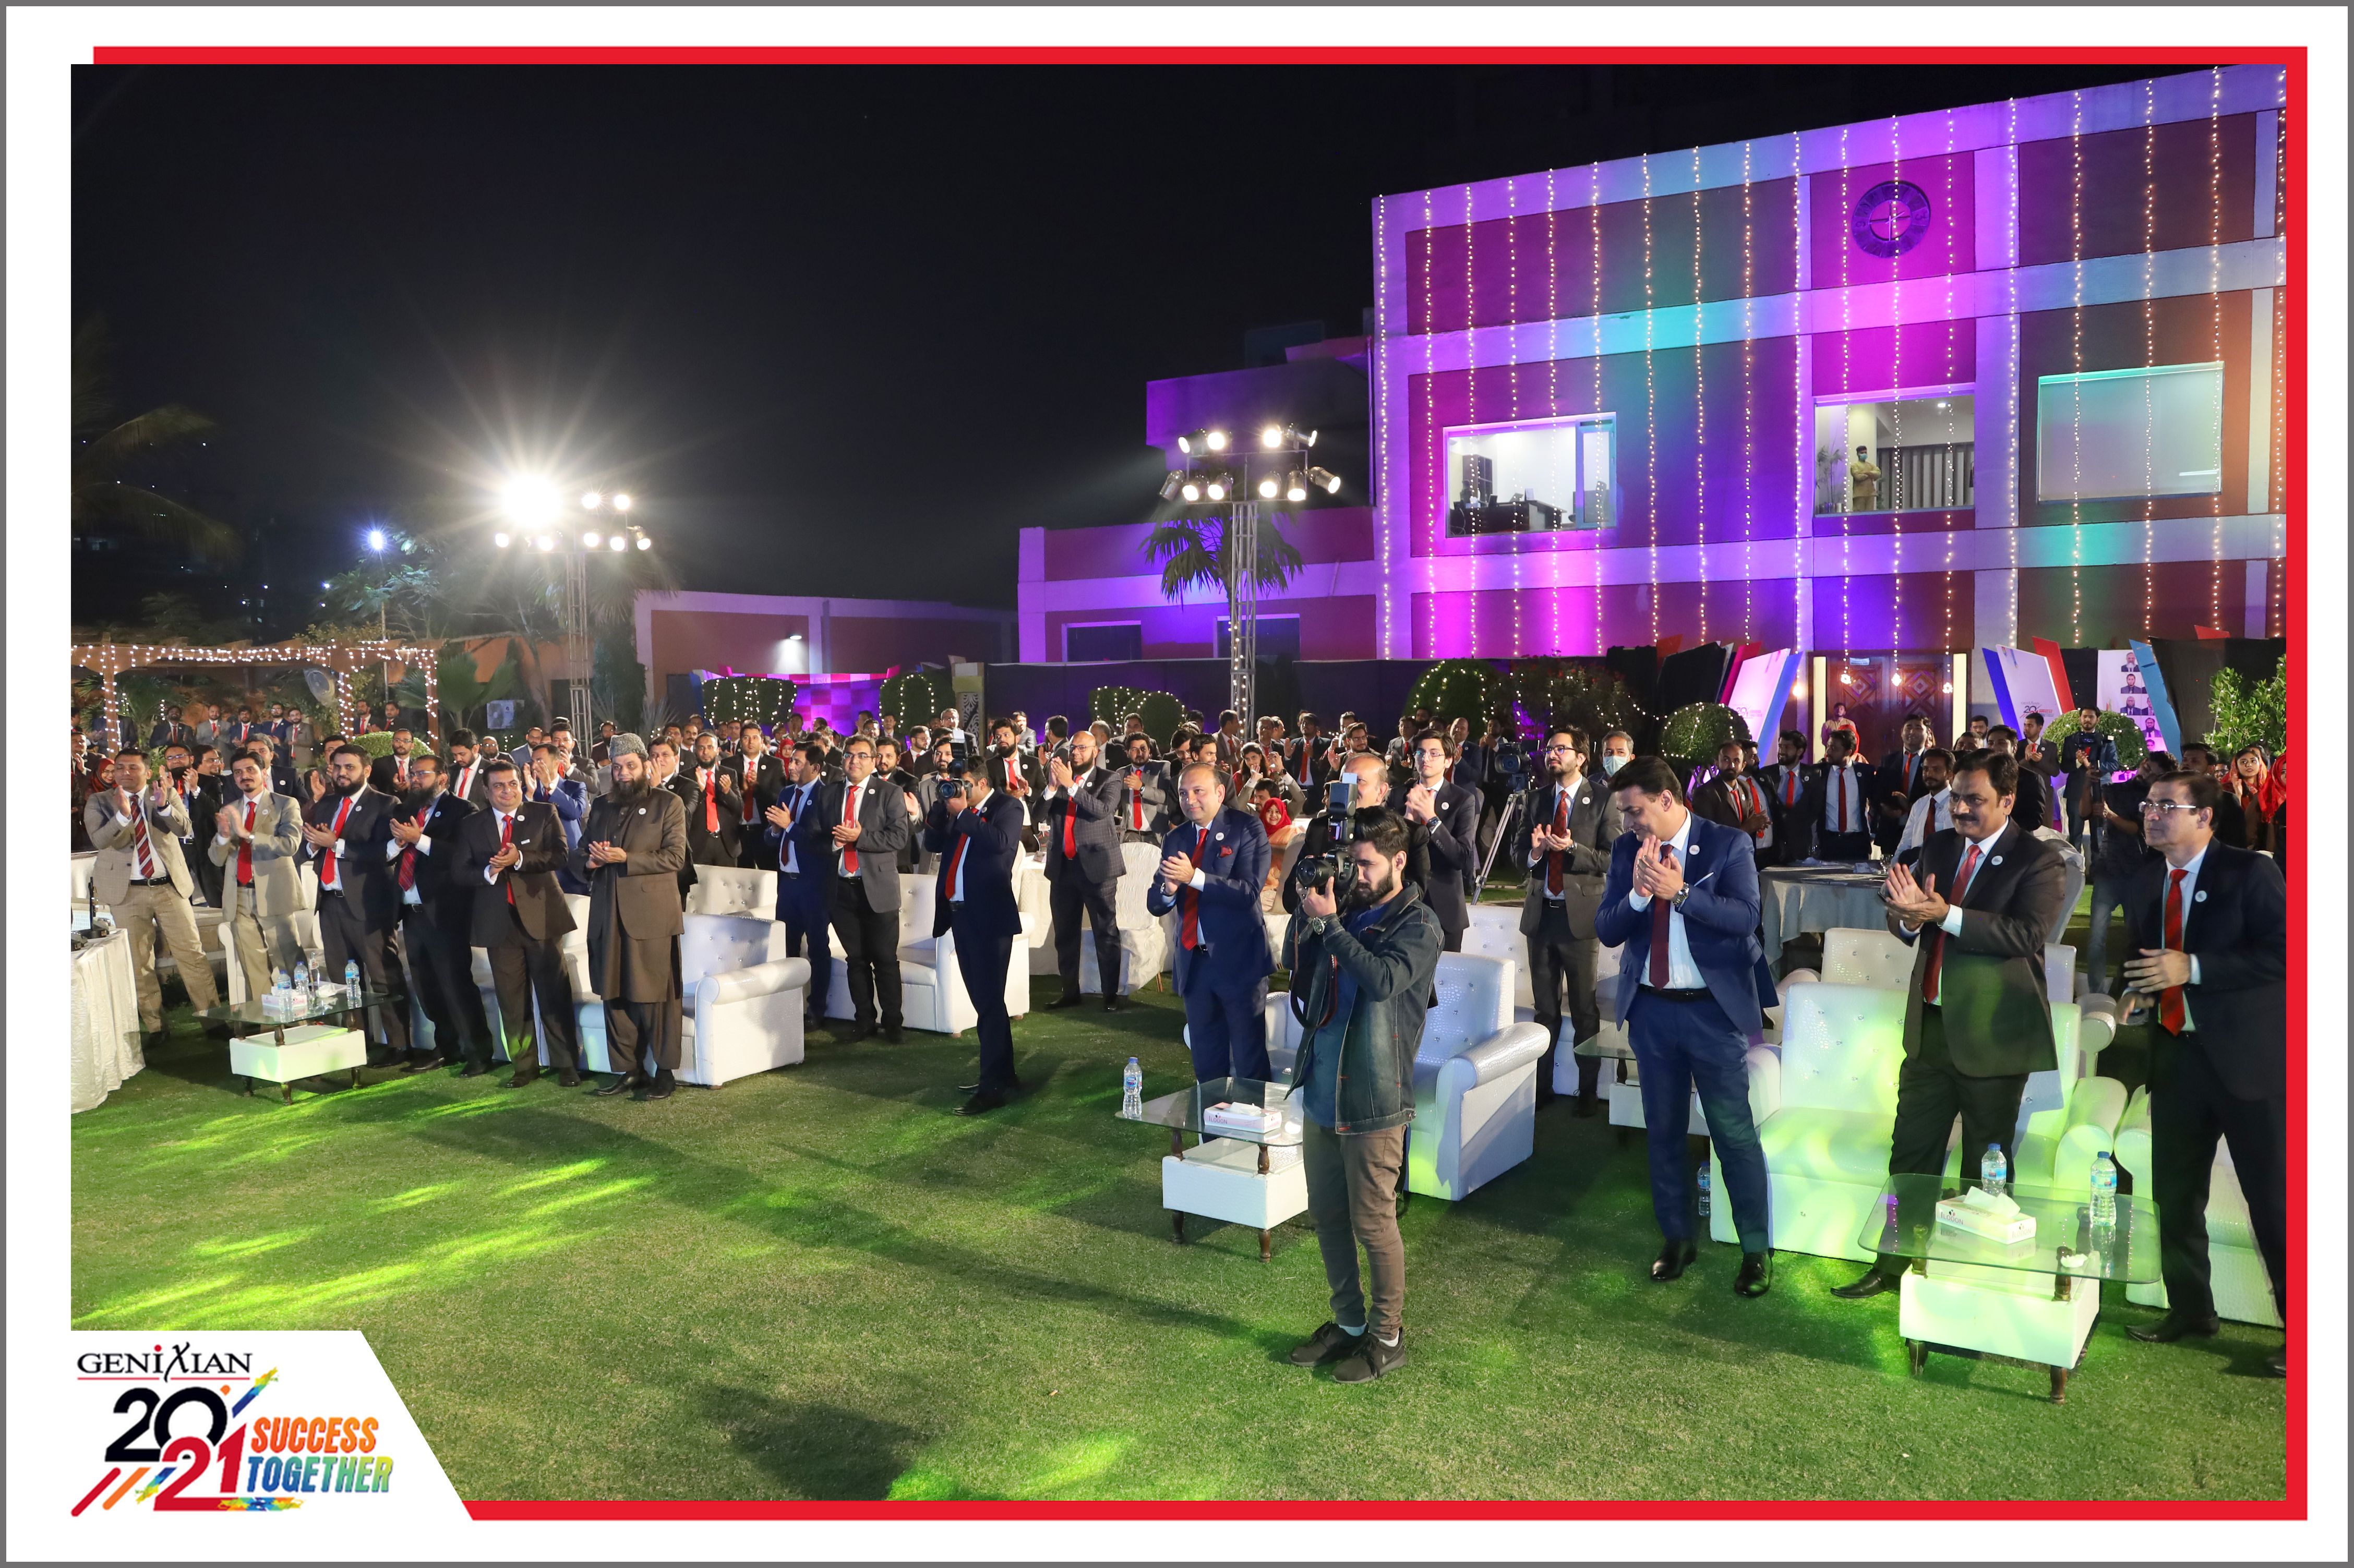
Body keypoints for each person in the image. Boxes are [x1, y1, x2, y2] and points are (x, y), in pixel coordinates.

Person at [1834, 751, 2069, 1302]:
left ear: (2007, 800)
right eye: (1956, 798)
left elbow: (2026, 935)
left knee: (1985, 1171)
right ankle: (1893, 1265)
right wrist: (1905, 917)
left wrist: (1946, 914)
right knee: (1910, 1158)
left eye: (1974, 800)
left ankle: (1971, 1283)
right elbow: (1906, 914)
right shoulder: (1939, 846)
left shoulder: (2039, 860)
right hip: (1930, 1032)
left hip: (1993, 1037)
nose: (1960, 809)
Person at [2115, 770, 2288, 1376]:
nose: (2152, 814)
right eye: (2149, 805)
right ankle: (2191, 1310)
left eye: (2167, 806)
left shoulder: (2250, 872)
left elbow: (2287, 951)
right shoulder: (2145, 880)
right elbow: (2139, 958)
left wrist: (2194, 968)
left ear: (2205, 817)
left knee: (2275, 1200)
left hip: (2247, 1062)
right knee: (2176, 1194)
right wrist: (2134, 992)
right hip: (2176, 1057)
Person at [1592, 756, 1776, 1298]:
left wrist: (1682, 893)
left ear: (1667, 800)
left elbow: (1746, 918)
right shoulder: (1627, 851)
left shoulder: (1727, 843)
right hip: (1651, 1012)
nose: (1628, 823)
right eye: (1624, 813)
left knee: (1733, 1134)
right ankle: (1677, 1239)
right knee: (1664, 1131)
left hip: (1712, 1013)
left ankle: (1755, 1249)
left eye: (1635, 811)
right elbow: (1607, 929)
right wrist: (1638, 895)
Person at [1280, 809, 1442, 1383]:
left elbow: (1382, 981)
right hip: (1322, 1086)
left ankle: (1387, 1337)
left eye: (1367, 864)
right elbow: (1294, 967)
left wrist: (1331, 927)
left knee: (1373, 1223)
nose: (1357, 874)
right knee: (1327, 1216)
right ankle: (1350, 1324)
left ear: (1399, 861)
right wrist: (1307, 911)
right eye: (1352, 862)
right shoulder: (1343, 908)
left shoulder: (1420, 923)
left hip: (1374, 1095)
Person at [571, 737, 688, 1098]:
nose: (623, 774)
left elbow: (675, 857)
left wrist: (626, 859)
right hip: (607, 913)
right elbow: (580, 852)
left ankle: (665, 1072)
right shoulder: (602, 806)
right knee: (614, 994)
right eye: (617, 767)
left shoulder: (668, 804)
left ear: (645, 766)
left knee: (656, 996)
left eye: (630, 766)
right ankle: (629, 1070)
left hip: (651, 917)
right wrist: (591, 862)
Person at [1146, 762, 1275, 1081]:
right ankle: (1212, 1117)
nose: (1190, 800)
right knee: (1206, 1064)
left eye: (1198, 791)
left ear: (1219, 793)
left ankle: (1252, 1115)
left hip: (1239, 963)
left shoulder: (1247, 828)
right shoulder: (1175, 838)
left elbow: (1248, 892)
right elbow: (1156, 903)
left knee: (1249, 1061)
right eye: (1183, 793)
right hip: (1195, 965)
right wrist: (1169, 890)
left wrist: (1195, 878)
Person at [86, 748, 223, 1039]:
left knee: (192, 955)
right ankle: (156, 1027)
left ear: (148, 772)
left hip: (169, 887)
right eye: (120, 767)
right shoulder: (100, 801)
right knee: (139, 962)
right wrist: (123, 816)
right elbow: (99, 839)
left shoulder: (165, 793)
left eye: (133, 767)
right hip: (126, 893)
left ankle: (213, 1020)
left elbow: (185, 828)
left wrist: (163, 808)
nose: (125, 772)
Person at [922, 754, 1029, 1115]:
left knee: (989, 1004)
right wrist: (941, 808)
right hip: (961, 917)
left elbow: (1001, 844)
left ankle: (992, 1087)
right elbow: (933, 844)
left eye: (964, 784)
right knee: (987, 1003)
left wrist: (964, 814)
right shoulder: (958, 810)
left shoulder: (1008, 807)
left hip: (990, 918)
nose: (958, 789)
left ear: (982, 783)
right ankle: (1004, 1076)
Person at [1515, 728, 1614, 1111]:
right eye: (1550, 749)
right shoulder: (1536, 799)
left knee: (1585, 1010)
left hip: (1581, 921)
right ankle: (1541, 1090)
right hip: (1540, 918)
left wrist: (1573, 847)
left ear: (1581, 757)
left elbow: (1611, 858)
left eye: (1561, 749)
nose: (1552, 754)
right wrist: (1536, 853)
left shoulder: (1603, 799)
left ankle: (1588, 1092)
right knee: (1545, 1012)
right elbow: (1517, 853)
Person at [299, 742, 414, 1066]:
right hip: (330, 903)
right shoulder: (326, 804)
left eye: (349, 767)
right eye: (337, 767)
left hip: (368, 905)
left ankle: (400, 1045)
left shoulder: (385, 804)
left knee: (382, 976)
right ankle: (355, 1044)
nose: (341, 773)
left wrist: (335, 844)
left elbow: (384, 853)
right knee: (343, 981)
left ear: (366, 770)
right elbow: (305, 848)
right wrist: (313, 847)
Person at [388, 753, 495, 1075]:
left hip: (445, 911)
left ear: (443, 778)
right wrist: (399, 844)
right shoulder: (405, 810)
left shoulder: (463, 811)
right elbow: (390, 853)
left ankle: (478, 1052)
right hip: (411, 910)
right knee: (427, 985)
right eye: (413, 773)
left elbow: (460, 856)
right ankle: (446, 1047)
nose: (415, 779)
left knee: (455, 983)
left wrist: (418, 839)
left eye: (422, 774)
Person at [810, 735, 912, 1043]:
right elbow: (814, 838)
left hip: (878, 890)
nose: (854, 761)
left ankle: (893, 1023)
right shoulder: (828, 793)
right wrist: (834, 843)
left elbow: (899, 838)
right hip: (841, 890)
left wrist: (859, 837)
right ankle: (864, 1021)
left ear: (873, 761)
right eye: (849, 755)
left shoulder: (890, 792)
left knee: (884, 958)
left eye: (861, 756)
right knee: (856, 960)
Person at [1029, 726, 1130, 1011]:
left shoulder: (1109, 779)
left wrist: (1071, 786)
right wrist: (1052, 787)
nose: (1075, 753)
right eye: (1073, 748)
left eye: (1082, 748)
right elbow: (1038, 816)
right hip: (1063, 868)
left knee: (1105, 932)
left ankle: (1110, 995)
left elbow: (1102, 811)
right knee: (1065, 935)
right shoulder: (1059, 780)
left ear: (1095, 752)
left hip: (1098, 868)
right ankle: (1070, 992)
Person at [209, 752, 305, 1002]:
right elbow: (216, 859)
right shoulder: (229, 810)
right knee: (254, 970)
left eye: (250, 770)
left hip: (274, 893)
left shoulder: (286, 804)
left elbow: (290, 845)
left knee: (289, 963)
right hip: (238, 895)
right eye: (238, 773)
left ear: (264, 772)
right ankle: (266, 1019)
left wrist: (248, 835)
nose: (244, 776)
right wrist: (223, 838)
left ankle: (302, 1017)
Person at [761, 742, 836, 1029]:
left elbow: (824, 845)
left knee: (817, 948)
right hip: (787, 885)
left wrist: (790, 826)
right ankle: (788, 1007)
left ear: (815, 768)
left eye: (798, 762)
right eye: (791, 761)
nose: (791, 766)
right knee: (786, 947)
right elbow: (772, 840)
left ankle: (817, 1009)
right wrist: (775, 830)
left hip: (814, 885)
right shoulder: (786, 793)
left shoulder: (827, 796)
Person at [1284, 752, 1412, 912]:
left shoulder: (1403, 833)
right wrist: (1310, 888)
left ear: (1381, 791)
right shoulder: (1321, 828)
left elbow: (1409, 903)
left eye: (1358, 781)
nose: (1349, 788)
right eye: (1345, 781)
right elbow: (1290, 899)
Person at [1391, 729, 1481, 952]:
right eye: (1421, 753)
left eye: (1434, 753)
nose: (1426, 759)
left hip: (1445, 908)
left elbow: (1462, 858)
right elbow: (1387, 850)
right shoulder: (1399, 795)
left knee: (1446, 971)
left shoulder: (1463, 799)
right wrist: (1409, 820)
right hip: (1403, 902)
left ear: (1448, 761)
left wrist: (1432, 819)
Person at [2084, 751, 2164, 995]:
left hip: (2137, 872)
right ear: (2143, 763)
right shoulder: (2115, 789)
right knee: (2097, 937)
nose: (2146, 775)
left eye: (2154, 775)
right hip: (2108, 869)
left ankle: (2128, 990)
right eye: (2147, 768)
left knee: (2134, 938)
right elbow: (2084, 811)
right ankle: (2096, 991)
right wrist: (2088, 784)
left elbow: (2137, 830)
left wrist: (2110, 815)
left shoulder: (2154, 800)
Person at [1691, 738, 1774, 863]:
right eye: (1726, 760)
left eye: (1736, 761)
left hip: (1745, 857)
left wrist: (1759, 822)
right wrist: (1745, 829)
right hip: (1719, 861)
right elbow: (1707, 835)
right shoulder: (1705, 793)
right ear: (1717, 763)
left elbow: (1750, 820)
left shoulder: (1745, 787)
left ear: (1743, 765)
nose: (1731, 766)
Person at [525, 742, 591, 895]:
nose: (534, 766)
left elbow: (575, 812)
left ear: (556, 763)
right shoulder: (528, 791)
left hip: (570, 865)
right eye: (532, 761)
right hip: (540, 865)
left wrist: (551, 788)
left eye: (540, 761)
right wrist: (529, 795)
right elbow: (520, 821)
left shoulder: (575, 787)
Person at [725, 722, 788, 869]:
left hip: (764, 830)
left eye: (755, 738)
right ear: (741, 741)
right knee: (741, 877)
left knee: (768, 874)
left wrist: (757, 787)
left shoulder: (775, 764)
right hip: (737, 832)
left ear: (762, 740)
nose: (751, 742)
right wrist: (742, 791)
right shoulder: (728, 764)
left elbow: (778, 798)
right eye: (746, 738)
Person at [681, 731, 743, 872]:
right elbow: (685, 813)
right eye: (701, 748)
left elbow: (739, 808)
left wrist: (728, 792)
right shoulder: (686, 777)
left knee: (727, 884)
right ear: (695, 751)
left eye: (710, 747)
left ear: (717, 750)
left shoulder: (729, 774)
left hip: (726, 843)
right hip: (698, 844)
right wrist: (700, 791)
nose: (705, 752)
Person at [1812, 729, 1876, 863]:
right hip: (1828, 842)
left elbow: (1876, 803)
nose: (1828, 752)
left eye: (1834, 748)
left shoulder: (1865, 772)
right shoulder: (1818, 772)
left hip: (1857, 842)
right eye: (1828, 746)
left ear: (1848, 752)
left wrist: (1874, 831)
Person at [1875, 714, 1933, 855]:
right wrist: (1885, 809)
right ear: (1902, 732)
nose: (1912, 732)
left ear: (1928, 733)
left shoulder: (1932, 762)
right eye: (1909, 727)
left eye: (1918, 728)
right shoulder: (1888, 761)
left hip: (1922, 831)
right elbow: (1876, 792)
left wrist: (1909, 807)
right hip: (1891, 830)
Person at [1985, 725, 2055, 834]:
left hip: (2017, 838)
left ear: (2014, 748)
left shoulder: (2031, 779)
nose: (1994, 747)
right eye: (1991, 743)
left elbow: (2034, 820)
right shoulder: (1981, 777)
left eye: (2001, 743)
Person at [1891, 747, 1956, 863]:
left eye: (1936, 770)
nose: (1929, 774)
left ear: (1950, 774)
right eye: (1926, 769)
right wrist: (1896, 867)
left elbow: (1952, 846)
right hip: (1914, 870)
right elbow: (1905, 844)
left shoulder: (1957, 805)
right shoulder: (1919, 805)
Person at [1758, 729, 1813, 865]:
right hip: (1772, 848)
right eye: (1780, 746)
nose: (1782, 751)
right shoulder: (1765, 774)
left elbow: (1815, 809)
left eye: (1787, 747)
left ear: (1800, 751)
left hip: (1802, 848)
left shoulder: (1813, 775)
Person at [1116, 732, 1168, 843]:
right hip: (1130, 835)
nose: (1140, 753)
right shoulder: (1121, 773)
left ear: (1149, 751)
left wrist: (1142, 788)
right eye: (1135, 749)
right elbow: (1115, 803)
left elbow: (1166, 797)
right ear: (1127, 753)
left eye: (1143, 749)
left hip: (1155, 835)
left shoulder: (1162, 767)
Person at [445, 728, 491, 807]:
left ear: (475, 749)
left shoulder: (491, 770)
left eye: (462, 754)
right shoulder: (450, 771)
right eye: (455, 755)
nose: (458, 759)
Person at [368, 727, 419, 793]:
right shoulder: (380, 764)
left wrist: (411, 785)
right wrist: (394, 788)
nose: (401, 744)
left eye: (406, 741)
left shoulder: (417, 766)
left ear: (412, 746)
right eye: (397, 740)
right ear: (392, 743)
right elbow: (372, 788)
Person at [1847, 444, 1879, 511]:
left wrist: (1866, 473)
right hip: (1859, 495)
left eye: (1865, 453)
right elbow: (1858, 477)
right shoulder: (1854, 466)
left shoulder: (1871, 465)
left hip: (1871, 494)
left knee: (1870, 514)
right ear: (1858, 454)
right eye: (1862, 453)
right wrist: (1871, 474)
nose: (1864, 454)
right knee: (1859, 515)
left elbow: (1878, 473)